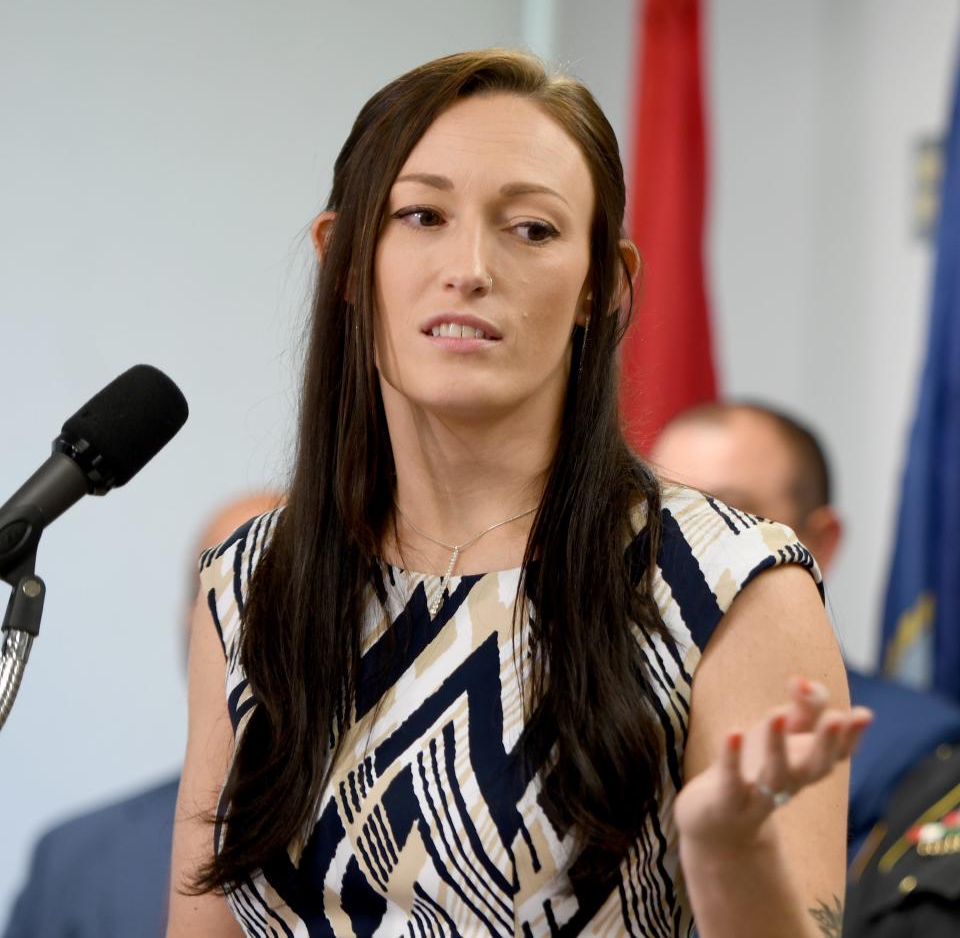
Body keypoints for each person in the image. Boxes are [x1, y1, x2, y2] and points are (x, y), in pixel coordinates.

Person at [167, 50, 871, 938]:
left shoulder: (731, 582)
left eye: (531, 229)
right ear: (343, 261)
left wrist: (731, 857)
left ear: (600, 287)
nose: (469, 267)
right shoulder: (250, 577)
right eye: (421, 215)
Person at [651, 401, 960, 863]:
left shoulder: (915, 751)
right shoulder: (587, 726)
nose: (678, 548)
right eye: (659, 514)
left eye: (725, 517)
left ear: (819, 544)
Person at [3, 492, 281, 938]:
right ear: (187, 623)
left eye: (277, 590)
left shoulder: (393, 855)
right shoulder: (72, 860)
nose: (244, 619)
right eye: (222, 590)